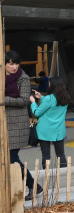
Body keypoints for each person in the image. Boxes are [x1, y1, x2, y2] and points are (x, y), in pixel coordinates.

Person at [5, 51, 39, 201]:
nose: (14, 67)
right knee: (7, 159)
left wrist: (3, 99)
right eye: (11, 64)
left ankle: (32, 185)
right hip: (4, 124)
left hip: (17, 125)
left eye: (16, 64)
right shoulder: (1, 77)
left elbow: (24, 100)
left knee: (12, 158)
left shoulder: (23, 78)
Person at [30, 76, 71, 168]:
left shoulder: (49, 98)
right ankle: (64, 173)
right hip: (59, 129)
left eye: (49, 83)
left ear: (53, 85)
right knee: (61, 154)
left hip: (45, 130)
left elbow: (37, 112)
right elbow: (53, 103)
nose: (48, 84)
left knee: (46, 155)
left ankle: (47, 173)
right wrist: (41, 97)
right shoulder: (66, 97)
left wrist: (33, 102)